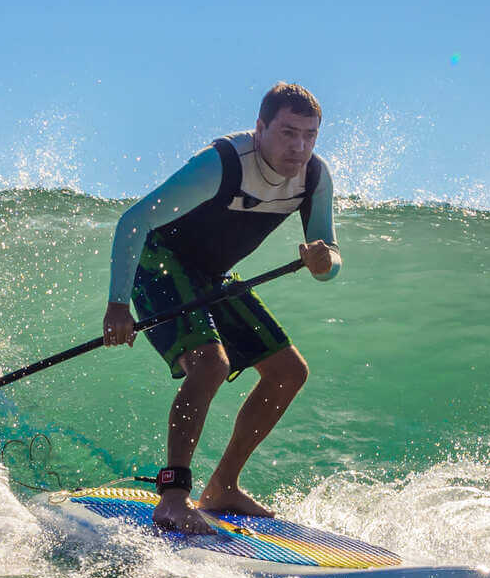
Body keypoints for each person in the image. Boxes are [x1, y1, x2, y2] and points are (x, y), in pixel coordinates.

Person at [102, 82, 342, 533]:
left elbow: (329, 260)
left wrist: (323, 260)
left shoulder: (314, 177)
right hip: (160, 263)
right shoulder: (223, 163)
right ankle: (173, 496)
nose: (300, 146)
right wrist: (117, 305)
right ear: (260, 127)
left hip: (211, 276)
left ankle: (223, 486)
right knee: (210, 364)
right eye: (289, 132)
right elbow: (134, 221)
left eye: (310, 135)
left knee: (289, 371)